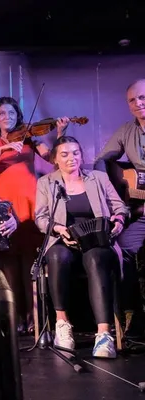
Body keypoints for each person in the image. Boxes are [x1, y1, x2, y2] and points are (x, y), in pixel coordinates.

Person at [0, 96, 70, 334]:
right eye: (2, 113)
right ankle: (15, 316)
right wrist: (4, 149)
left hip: (29, 201)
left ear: (18, 116)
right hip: (3, 202)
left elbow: (53, 160)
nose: (7, 117)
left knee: (30, 261)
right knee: (7, 262)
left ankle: (33, 317)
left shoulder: (30, 138)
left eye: (11, 113)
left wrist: (60, 133)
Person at [35, 136, 128, 358]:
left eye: (76, 153)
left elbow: (120, 207)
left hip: (97, 240)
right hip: (63, 240)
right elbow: (40, 218)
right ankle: (62, 324)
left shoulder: (98, 178)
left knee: (95, 259)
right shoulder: (47, 182)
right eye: (65, 154)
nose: (71, 158)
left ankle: (104, 334)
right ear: (55, 159)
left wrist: (118, 221)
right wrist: (58, 229)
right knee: (56, 256)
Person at [93, 78, 145, 337]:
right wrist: (111, 189)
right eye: (132, 100)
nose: (138, 103)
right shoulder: (127, 131)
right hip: (141, 212)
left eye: (142, 97)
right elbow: (101, 160)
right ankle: (133, 316)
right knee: (121, 250)